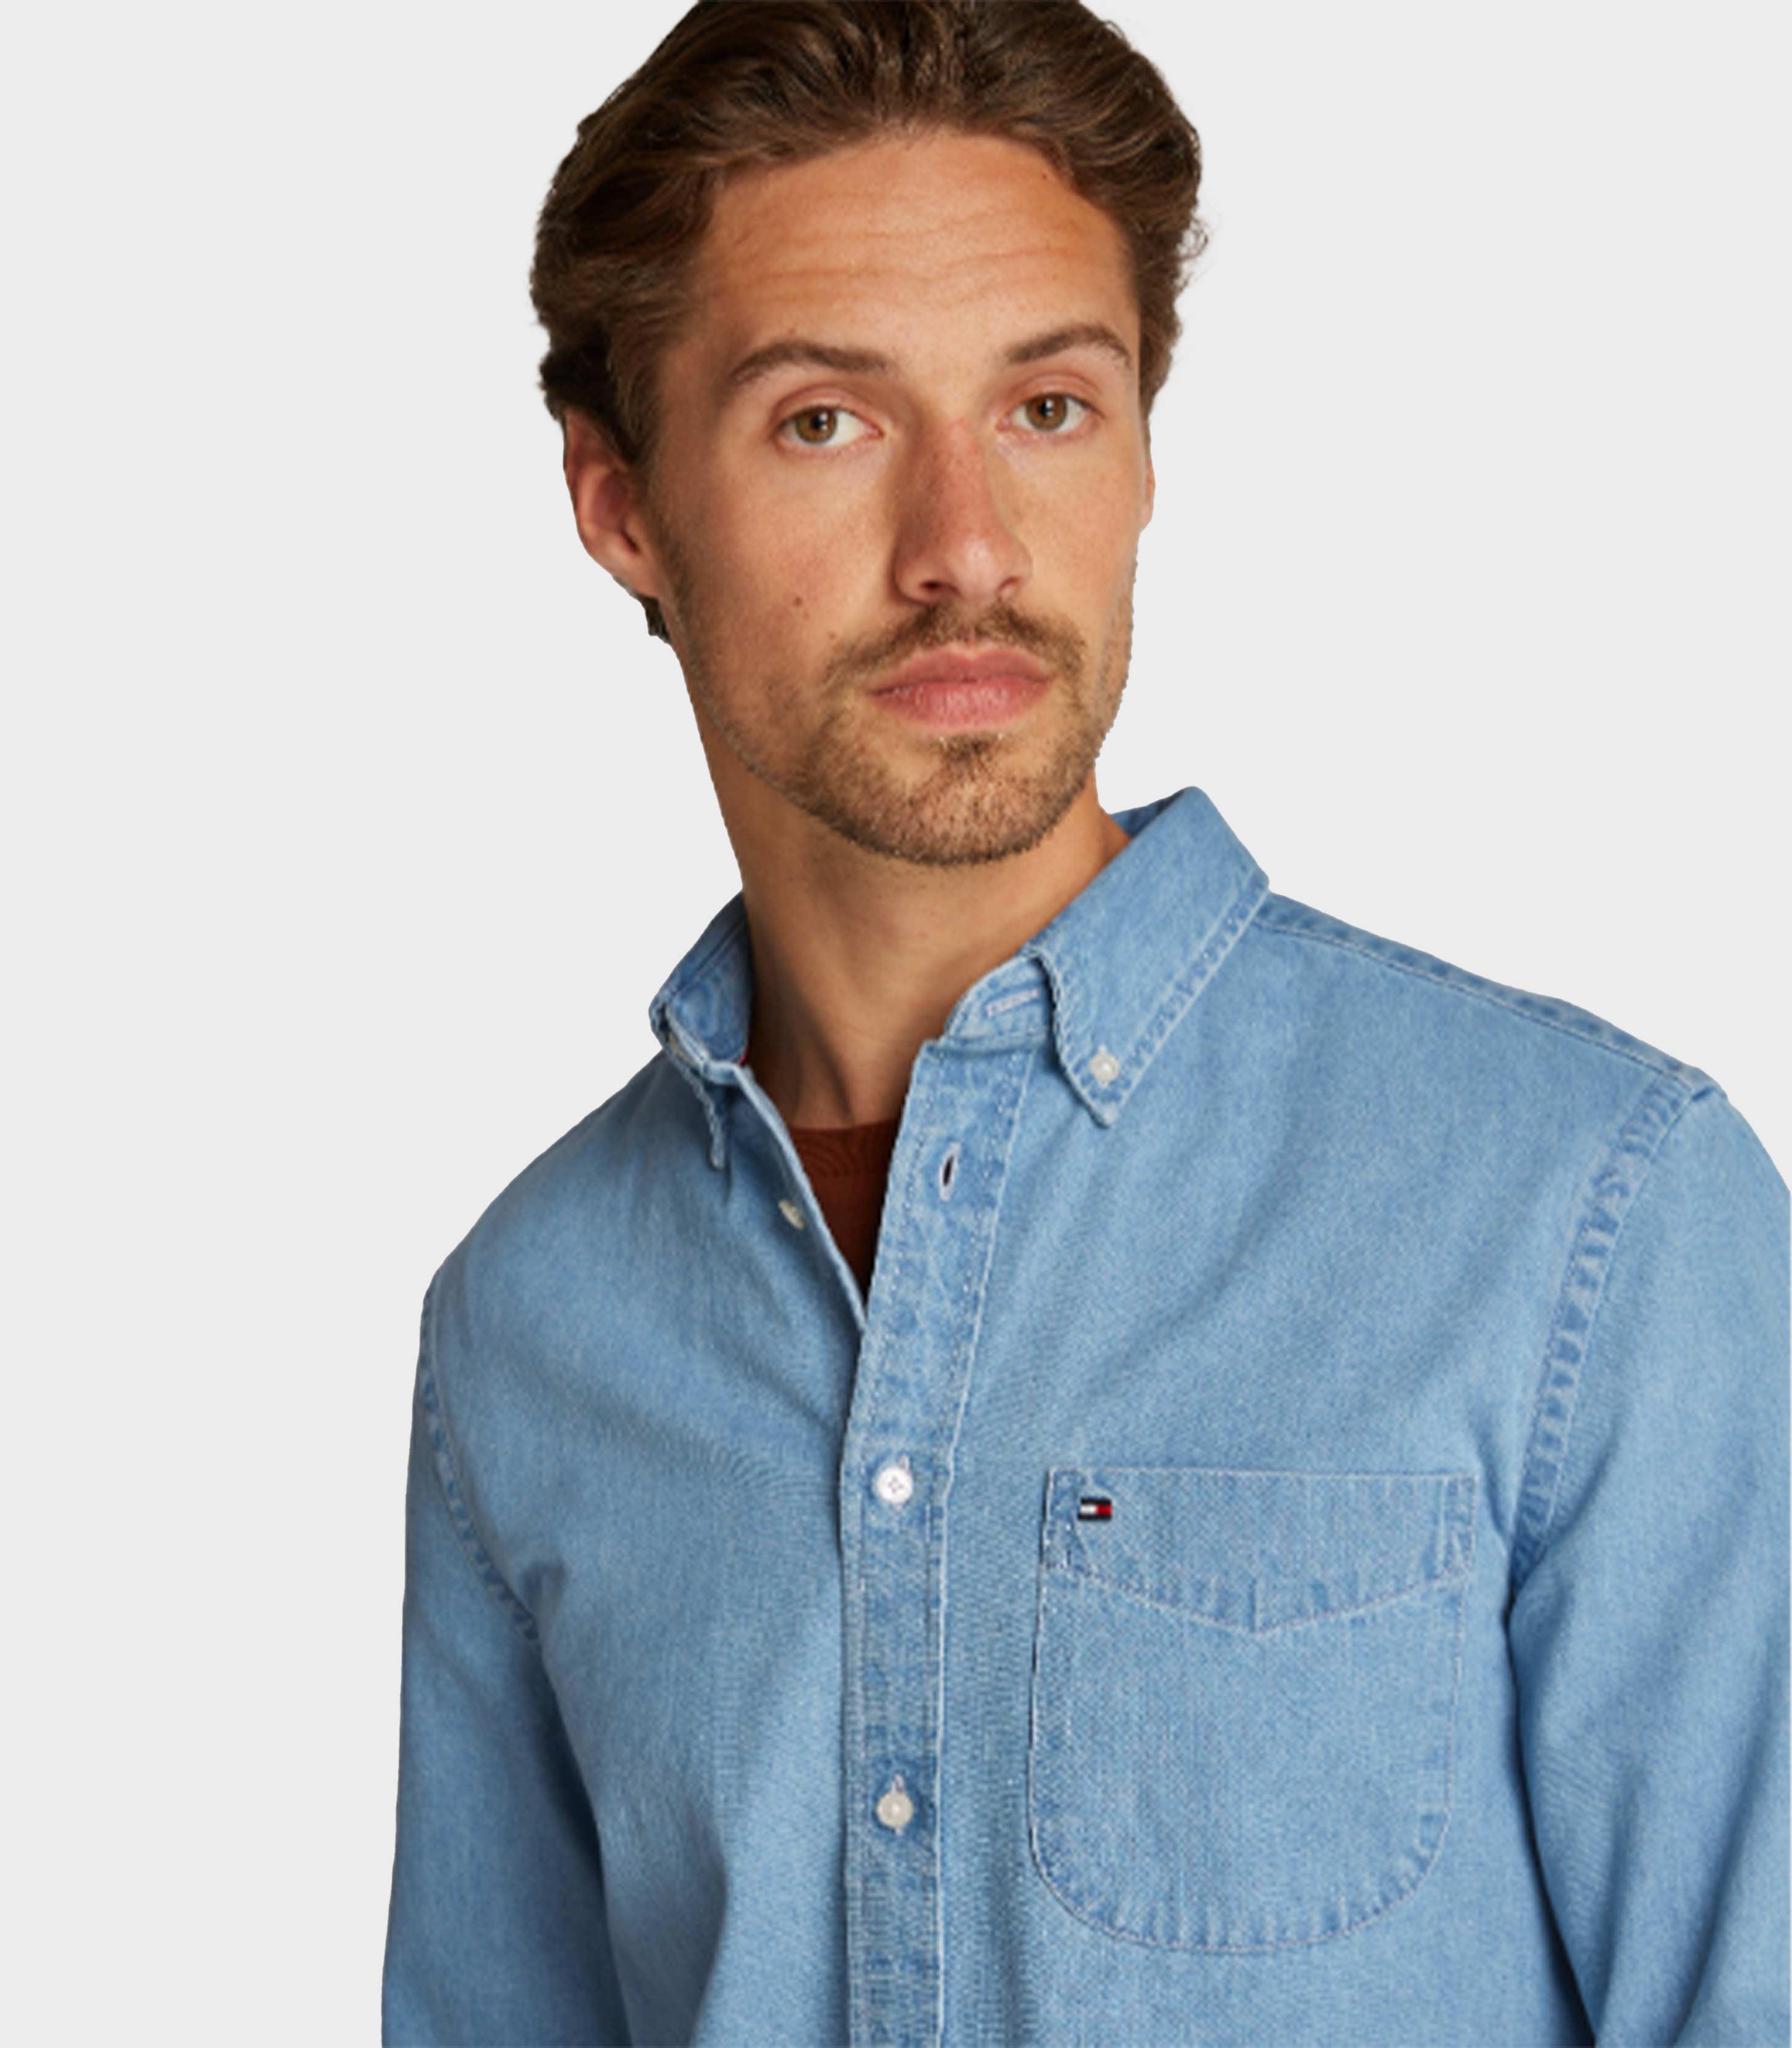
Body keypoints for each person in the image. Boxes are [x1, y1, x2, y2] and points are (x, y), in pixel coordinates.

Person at [380, 4, 1789, 2042]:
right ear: (620, 507)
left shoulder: (1595, 1217)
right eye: (824, 422)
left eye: (1047, 406)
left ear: (1140, 456)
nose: (965, 548)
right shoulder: (529, 1327)